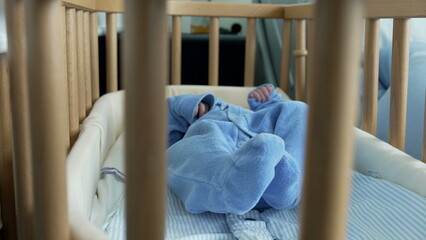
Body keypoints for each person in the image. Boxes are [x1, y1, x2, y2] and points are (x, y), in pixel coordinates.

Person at [167, 84, 308, 214]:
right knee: (180, 154)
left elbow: (287, 121)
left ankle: (287, 182)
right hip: (218, 146)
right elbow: (166, 114)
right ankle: (231, 186)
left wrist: (268, 101)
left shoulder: (247, 113)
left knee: (299, 109)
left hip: (263, 137)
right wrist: (191, 107)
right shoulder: (202, 127)